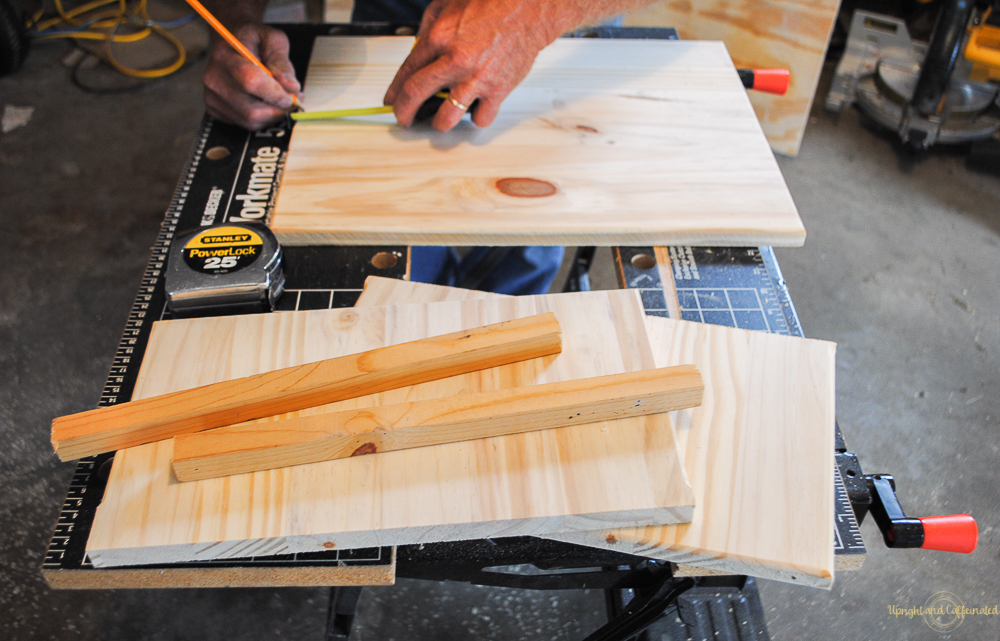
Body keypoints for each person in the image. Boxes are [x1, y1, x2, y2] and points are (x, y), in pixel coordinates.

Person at [202, 0, 648, 294]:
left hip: (562, 27)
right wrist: (238, 23)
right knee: (396, 258)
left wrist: (536, 16)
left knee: (529, 236)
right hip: (403, 12)